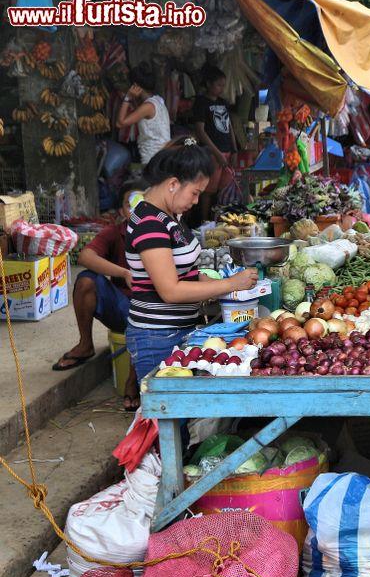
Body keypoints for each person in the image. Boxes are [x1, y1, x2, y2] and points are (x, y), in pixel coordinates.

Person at [125, 138, 257, 383]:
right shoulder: (150, 223)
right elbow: (170, 291)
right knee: (168, 413)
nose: (197, 201)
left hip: (178, 331)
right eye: (195, 193)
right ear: (173, 184)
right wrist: (231, 284)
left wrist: (208, 282)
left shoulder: (169, 216)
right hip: (157, 337)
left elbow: (183, 271)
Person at [52, 179, 147, 410]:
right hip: (121, 305)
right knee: (86, 279)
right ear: (122, 210)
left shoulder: (162, 233)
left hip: (152, 309)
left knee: (148, 313)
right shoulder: (115, 233)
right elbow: (86, 256)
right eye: (129, 204)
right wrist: (124, 273)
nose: (135, 210)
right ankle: (85, 344)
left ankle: (133, 381)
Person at [192, 65, 237, 220]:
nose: (221, 88)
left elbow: (229, 126)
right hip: (211, 152)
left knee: (222, 189)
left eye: (223, 85)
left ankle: (218, 220)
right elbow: (200, 131)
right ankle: (205, 222)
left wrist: (234, 149)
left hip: (226, 150)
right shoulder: (201, 103)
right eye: (219, 85)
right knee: (208, 190)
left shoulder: (223, 102)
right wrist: (217, 154)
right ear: (208, 84)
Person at [116, 61, 171, 165]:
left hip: (152, 157)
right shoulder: (159, 101)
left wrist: (128, 97)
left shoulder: (148, 106)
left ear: (135, 86)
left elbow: (120, 123)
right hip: (162, 156)